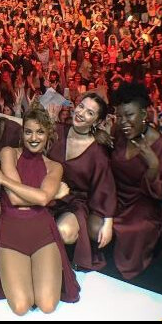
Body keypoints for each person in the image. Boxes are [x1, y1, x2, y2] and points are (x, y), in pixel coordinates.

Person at [0, 103, 79, 315]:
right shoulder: (9, 153)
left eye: (40, 132)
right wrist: (51, 195)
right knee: (20, 307)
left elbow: (43, 199)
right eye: (28, 132)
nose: (34, 138)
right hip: (11, 235)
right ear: (22, 133)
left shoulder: (55, 166)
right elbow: (15, 199)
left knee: (47, 305)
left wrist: (3, 180)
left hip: (43, 234)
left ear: (48, 135)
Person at [47, 92, 117, 271]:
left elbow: (105, 187)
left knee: (64, 232)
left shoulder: (98, 152)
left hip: (75, 202)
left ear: (97, 121)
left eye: (90, 113)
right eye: (81, 106)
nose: (81, 113)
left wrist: (108, 223)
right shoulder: (56, 130)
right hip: (47, 194)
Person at [110, 82, 162, 279]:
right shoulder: (118, 132)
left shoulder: (160, 145)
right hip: (117, 195)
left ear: (144, 115)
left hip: (143, 201)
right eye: (119, 116)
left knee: (135, 228)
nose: (123, 122)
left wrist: (153, 165)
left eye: (129, 115)